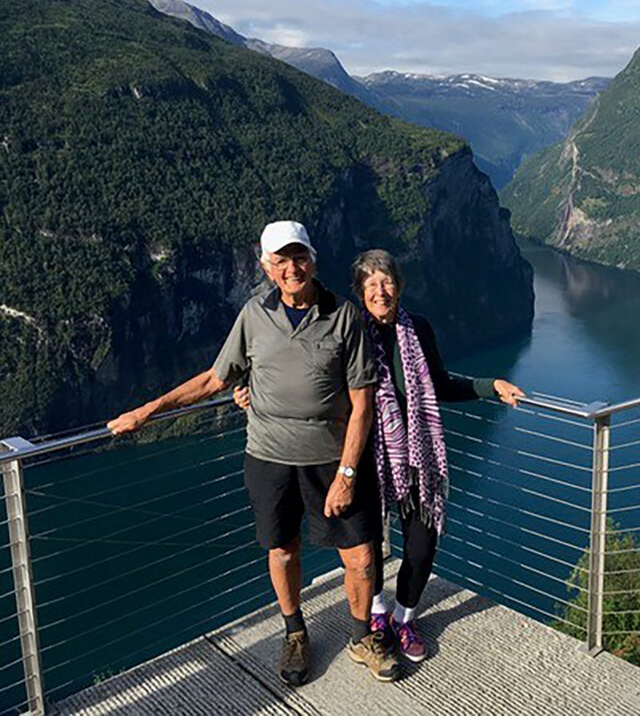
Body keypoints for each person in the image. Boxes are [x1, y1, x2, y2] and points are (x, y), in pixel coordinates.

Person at [108, 221, 398, 686]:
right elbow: (214, 379)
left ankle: (362, 636)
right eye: (279, 261)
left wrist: (347, 472)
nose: (290, 268)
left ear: (313, 259)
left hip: (332, 458)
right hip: (269, 458)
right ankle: (295, 631)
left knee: (362, 557)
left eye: (297, 257)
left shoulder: (345, 315)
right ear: (266, 267)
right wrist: (148, 410)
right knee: (283, 550)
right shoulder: (253, 315)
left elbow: (363, 403)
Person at [234, 248, 524, 663]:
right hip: (365, 459)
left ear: (399, 285)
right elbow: (301, 378)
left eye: (386, 281)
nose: (380, 291)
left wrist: (488, 385)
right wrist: (248, 391)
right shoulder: (345, 329)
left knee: (422, 546)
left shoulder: (417, 329)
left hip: (415, 455)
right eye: (370, 284)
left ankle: (405, 618)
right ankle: (376, 615)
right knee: (364, 551)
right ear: (358, 292)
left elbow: (438, 384)